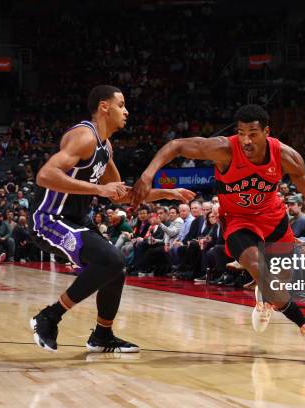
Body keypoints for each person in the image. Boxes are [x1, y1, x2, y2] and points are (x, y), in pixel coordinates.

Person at [131, 104, 305, 358]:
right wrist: (148, 174)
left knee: (281, 276)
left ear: (266, 132)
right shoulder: (223, 149)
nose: (245, 140)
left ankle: (263, 295)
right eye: (241, 133)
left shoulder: (286, 157)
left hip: (273, 217)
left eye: (252, 133)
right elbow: (175, 146)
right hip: (239, 220)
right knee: (259, 267)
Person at [28, 85, 194, 353]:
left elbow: (119, 194)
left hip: (75, 219)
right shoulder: (84, 137)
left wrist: (165, 193)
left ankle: (102, 336)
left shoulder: (105, 147)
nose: (126, 111)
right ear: (105, 107)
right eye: (121, 105)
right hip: (49, 219)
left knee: (115, 267)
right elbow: (45, 175)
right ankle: (49, 316)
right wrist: (97, 189)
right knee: (112, 259)